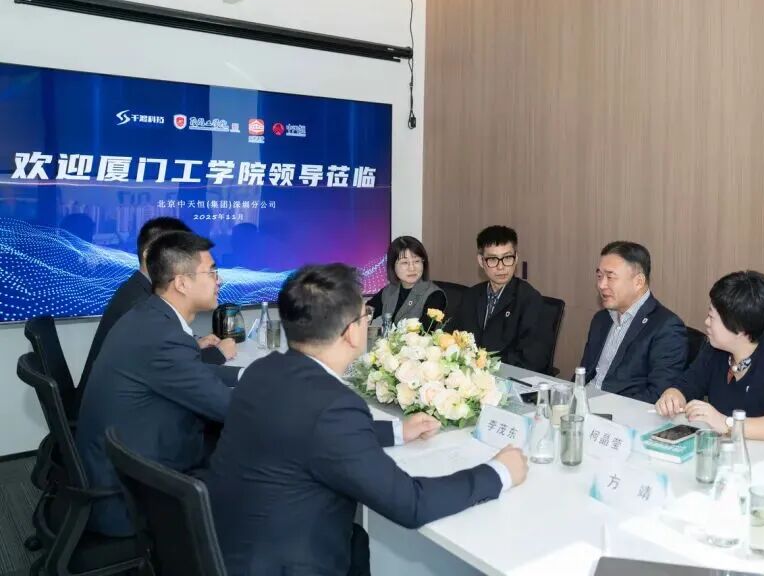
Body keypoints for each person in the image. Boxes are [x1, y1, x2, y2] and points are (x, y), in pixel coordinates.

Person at [206, 263, 528, 576]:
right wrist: (498, 472)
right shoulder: (335, 405)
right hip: (292, 563)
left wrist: (398, 431)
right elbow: (410, 503)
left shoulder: (263, 372)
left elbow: (309, 431)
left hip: (229, 551)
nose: (368, 321)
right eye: (366, 315)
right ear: (351, 332)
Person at [76, 231, 239, 536]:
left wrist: (245, 375)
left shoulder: (150, 316)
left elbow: (192, 372)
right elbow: (229, 408)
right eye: (212, 271)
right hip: (128, 500)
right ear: (182, 283)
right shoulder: (163, 337)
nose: (220, 280)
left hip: (127, 464)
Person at [78, 217, 236, 408]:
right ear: (151, 254)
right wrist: (218, 354)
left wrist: (193, 345)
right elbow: (171, 362)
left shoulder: (141, 293)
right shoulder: (139, 304)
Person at [655, 271, 764, 441]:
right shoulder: (714, 350)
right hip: (723, 449)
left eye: (712, 317)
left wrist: (727, 423)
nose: (706, 322)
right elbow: (687, 385)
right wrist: (673, 395)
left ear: (740, 329)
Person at [580, 241, 687, 402]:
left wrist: (605, 406)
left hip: (620, 411)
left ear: (638, 282)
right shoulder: (601, 319)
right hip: (584, 403)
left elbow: (659, 395)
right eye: (599, 276)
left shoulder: (667, 327)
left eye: (610, 277)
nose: (601, 285)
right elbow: (582, 374)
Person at [458, 226, 551, 373]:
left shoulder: (530, 300)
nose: (501, 267)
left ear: (516, 258)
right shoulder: (471, 296)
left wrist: (486, 366)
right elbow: (454, 338)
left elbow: (533, 359)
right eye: (493, 259)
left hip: (507, 378)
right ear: (481, 261)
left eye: (507, 258)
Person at [368, 236, 446, 329]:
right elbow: (367, 311)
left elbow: (423, 333)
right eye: (405, 262)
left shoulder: (435, 296)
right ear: (392, 266)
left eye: (416, 261)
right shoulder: (389, 290)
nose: (412, 268)